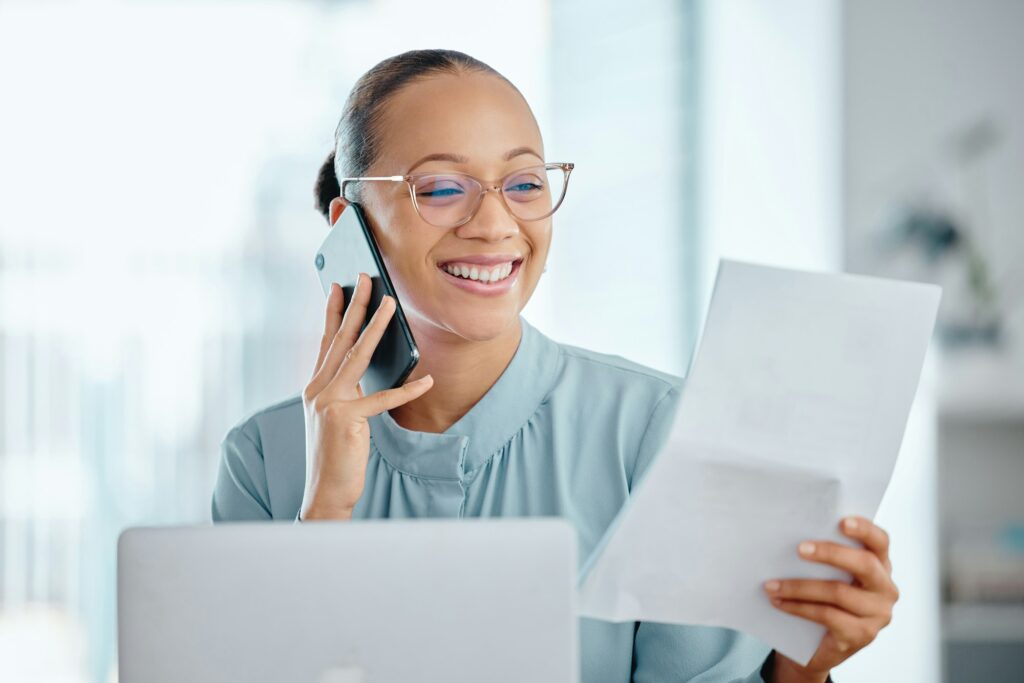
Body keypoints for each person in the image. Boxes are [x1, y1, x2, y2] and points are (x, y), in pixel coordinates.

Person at [211, 49, 899, 683]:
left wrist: (801, 667)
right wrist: (323, 513)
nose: (494, 222)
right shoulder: (264, 459)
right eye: (443, 187)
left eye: (524, 183)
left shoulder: (662, 430)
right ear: (348, 221)